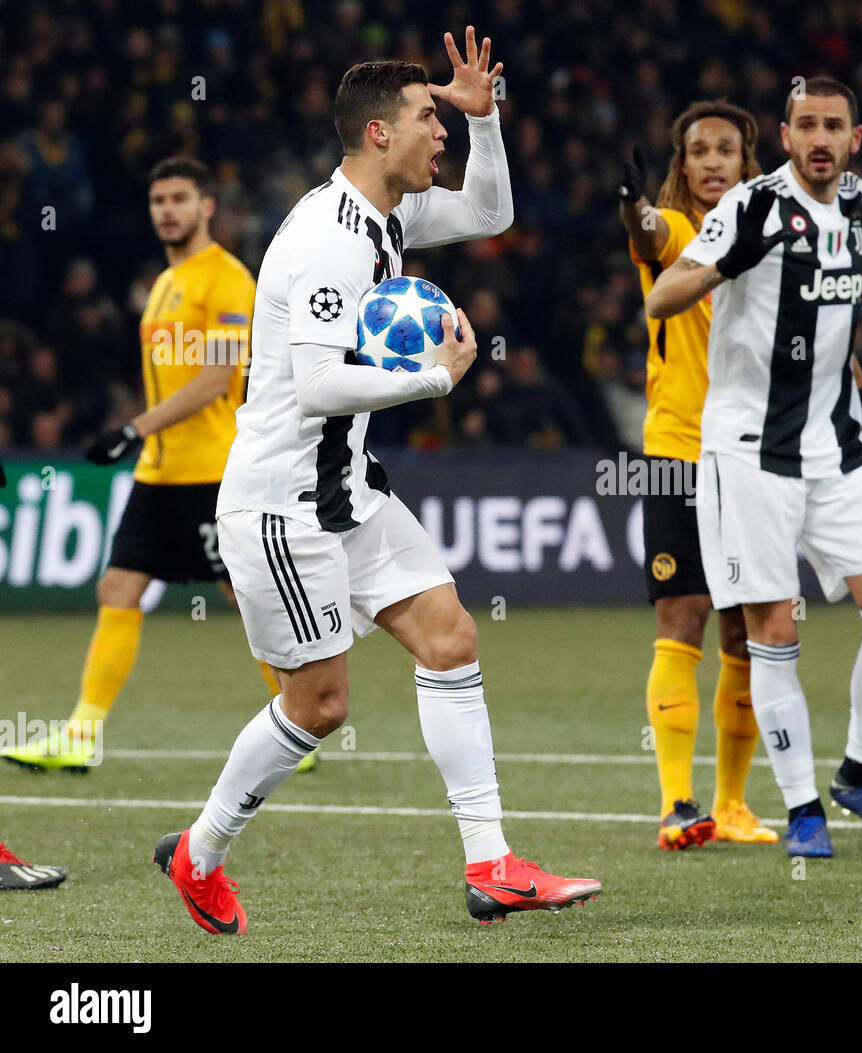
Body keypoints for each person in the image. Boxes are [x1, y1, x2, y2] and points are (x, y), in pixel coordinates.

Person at [152, 36, 600, 934]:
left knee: (450, 637)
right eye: (428, 118)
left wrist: (488, 117)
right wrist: (434, 379)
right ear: (375, 131)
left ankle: (492, 866)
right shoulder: (327, 237)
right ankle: (199, 856)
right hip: (285, 504)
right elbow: (318, 386)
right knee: (319, 705)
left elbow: (490, 213)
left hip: (347, 485)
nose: (439, 132)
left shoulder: (384, 213)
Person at [646, 77, 862, 858]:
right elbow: (662, 298)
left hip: (838, 449)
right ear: (784, 135)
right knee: (774, 629)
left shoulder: (857, 201)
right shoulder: (751, 206)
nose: (820, 137)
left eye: (833, 126)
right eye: (806, 125)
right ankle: (803, 807)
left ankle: (860, 773)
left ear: (856, 137)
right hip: (750, 454)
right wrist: (722, 263)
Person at [0, 157, 309, 773]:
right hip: (159, 472)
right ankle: (81, 734)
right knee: (118, 589)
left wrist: (132, 428)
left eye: (179, 198)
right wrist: (142, 440)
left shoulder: (225, 279)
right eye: (158, 200)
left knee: (245, 596)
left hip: (213, 471)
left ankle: (297, 721)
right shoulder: (164, 283)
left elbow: (219, 378)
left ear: (207, 206)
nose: (167, 210)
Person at [618, 99, 776, 849]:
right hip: (680, 451)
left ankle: (734, 803)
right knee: (682, 616)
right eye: (699, 151)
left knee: (746, 632)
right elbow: (650, 236)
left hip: (757, 453)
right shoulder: (681, 233)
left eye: (727, 150)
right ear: (681, 166)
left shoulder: (778, 236)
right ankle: (677, 803)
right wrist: (637, 207)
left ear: (749, 162)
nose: (713, 161)